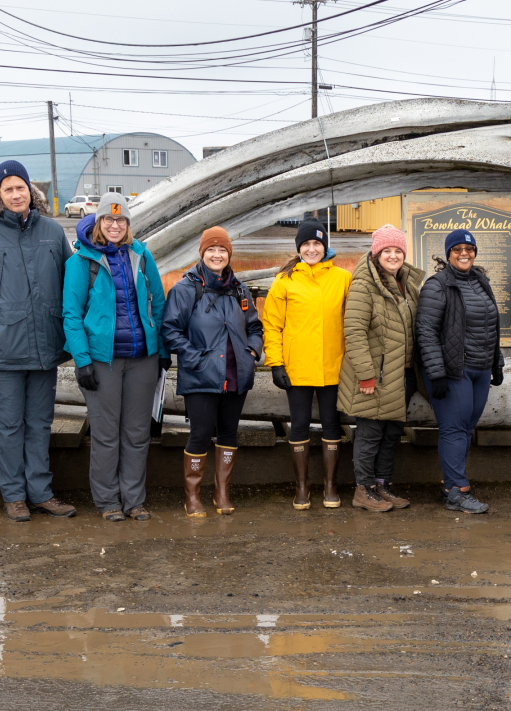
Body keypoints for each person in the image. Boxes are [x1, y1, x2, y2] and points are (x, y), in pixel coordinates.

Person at [0, 160, 76, 522]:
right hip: (6, 348)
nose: (15, 193)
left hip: (45, 347)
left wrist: (65, 331)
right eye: (7, 188)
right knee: (9, 426)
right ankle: (14, 495)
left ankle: (40, 492)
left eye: (20, 187)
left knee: (40, 423)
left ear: (30, 191)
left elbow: (71, 283)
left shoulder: (52, 232)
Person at [63, 195, 169, 522]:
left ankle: (134, 500)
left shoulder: (141, 255)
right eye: (108, 220)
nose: (114, 225)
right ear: (98, 223)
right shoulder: (81, 262)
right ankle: (108, 500)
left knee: (137, 432)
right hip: (102, 362)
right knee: (107, 434)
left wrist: (162, 350)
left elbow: (159, 303)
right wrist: (81, 361)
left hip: (142, 359)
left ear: (128, 225)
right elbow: (71, 314)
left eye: (120, 220)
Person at [161, 226, 264, 518]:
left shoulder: (239, 289)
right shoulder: (186, 289)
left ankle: (222, 493)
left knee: (229, 433)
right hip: (201, 376)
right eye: (211, 250)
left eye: (222, 250)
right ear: (202, 253)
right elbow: (170, 330)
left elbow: (255, 327)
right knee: (201, 433)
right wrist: (196, 356)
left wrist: (252, 352)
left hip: (236, 375)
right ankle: (192, 497)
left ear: (229, 254)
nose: (217, 255)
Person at [263, 218, 353, 510]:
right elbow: (272, 325)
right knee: (299, 424)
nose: (312, 249)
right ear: (299, 248)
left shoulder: (342, 279)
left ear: (325, 246)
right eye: (306, 244)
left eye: (317, 243)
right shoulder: (285, 279)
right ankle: (302, 487)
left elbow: (352, 323)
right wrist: (275, 363)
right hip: (297, 368)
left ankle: (330, 485)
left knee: (331, 424)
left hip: (332, 367)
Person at [416, 229, 505, 514]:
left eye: (469, 248)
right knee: (454, 429)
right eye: (457, 249)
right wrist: (436, 373)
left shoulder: (480, 281)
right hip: (454, 370)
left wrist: (496, 362)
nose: (464, 253)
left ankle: (454, 484)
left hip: (480, 369)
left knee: (466, 428)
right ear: (448, 253)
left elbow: (490, 325)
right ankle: (456, 491)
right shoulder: (437, 285)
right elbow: (426, 332)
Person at [338, 224, 425, 512]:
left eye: (397, 250)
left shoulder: (405, 284)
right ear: (376, 254)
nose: (392, 255)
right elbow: (354, 330)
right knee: (370, 433)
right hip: (375, 376)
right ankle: (363, 490)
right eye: (386, 250)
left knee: (391, 433)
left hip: (400, 375)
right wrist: (366, 374)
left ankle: (381, 485)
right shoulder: (364, 285)